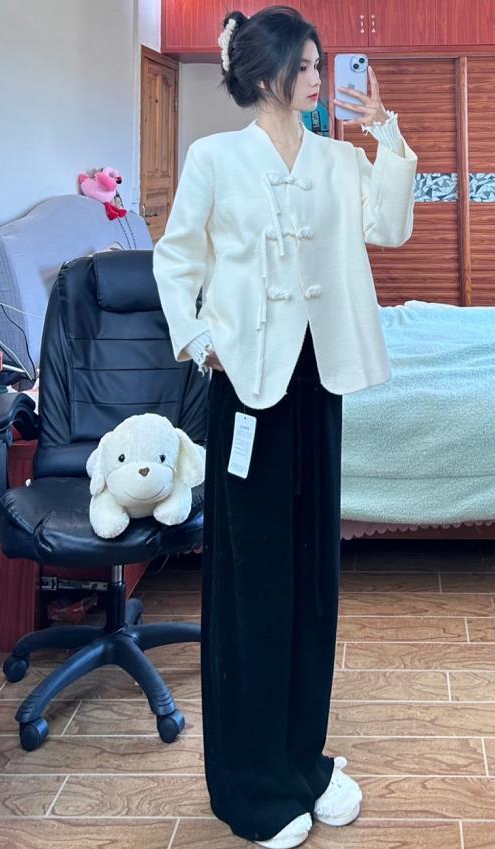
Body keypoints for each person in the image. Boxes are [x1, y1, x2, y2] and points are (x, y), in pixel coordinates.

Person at [152, 6, 417, 846]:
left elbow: (389, 226)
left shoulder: (338, 158)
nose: (317, 78)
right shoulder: (214, 158)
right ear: (264, 71)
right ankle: (250, 782)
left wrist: (387, 135)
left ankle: (302, 758)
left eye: (318, 65)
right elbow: (175, 258)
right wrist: (201, 342)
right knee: (252, 583)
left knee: (311, 579)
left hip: (318, 383)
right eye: (303, 66)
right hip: (247, 388)